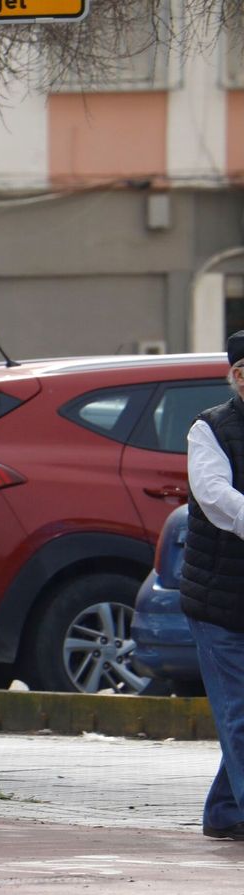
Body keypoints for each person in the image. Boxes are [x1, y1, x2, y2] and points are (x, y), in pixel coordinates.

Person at [182, 330, 244, 840]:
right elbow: (216, 497)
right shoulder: (210, 429)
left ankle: (225, 813)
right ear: (240, 376)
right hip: (220, 602)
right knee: (240, 712)